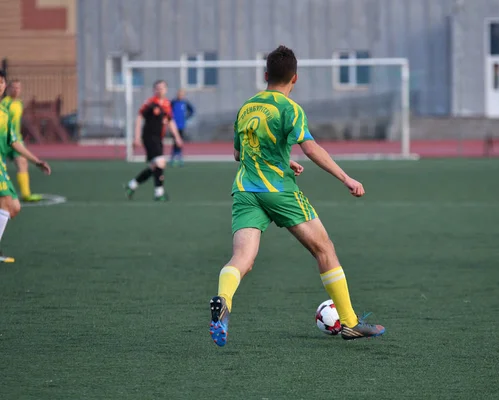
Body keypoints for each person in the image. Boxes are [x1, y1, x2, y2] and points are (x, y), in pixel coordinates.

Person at [208, 45, 385, 347]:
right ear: (295, 78)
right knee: (324, 249)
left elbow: (240, 153)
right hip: (279, 192)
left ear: (265, 75)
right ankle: (351, 323)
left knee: (243, 259)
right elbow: (311, 148)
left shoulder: (247, 107)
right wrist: (345, 177)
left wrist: (281, 158)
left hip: (245, 191)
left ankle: (224, 300)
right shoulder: (290, 108)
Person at [0, 71, 51, 262]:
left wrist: (36, 161)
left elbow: (14, 141)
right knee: (5, 202)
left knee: (13, 207)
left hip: (1, 163)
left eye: (1, 82)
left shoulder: (4, 112)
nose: (0, 85)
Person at [125, 80, 183, 201]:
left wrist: (177, 137)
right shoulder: (150, 103)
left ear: (166, 90)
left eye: (162, 88)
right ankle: (159, 193)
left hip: (159, 138)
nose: (160, 90)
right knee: (161, 162)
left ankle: (132, 185)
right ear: (154, 90)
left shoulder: (167, 104)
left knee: (154, 167)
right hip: (149, 137)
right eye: (157, 88)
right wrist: (136, 137)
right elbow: (140, 117)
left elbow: (170, 121)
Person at [0, 80, 42, 202]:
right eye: (14, 87)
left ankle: (26, 194)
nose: (16, 90)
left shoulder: (19, 103)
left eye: (18, 88)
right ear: (9, 89)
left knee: (22, 162)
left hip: (15, 138)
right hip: (4, 140)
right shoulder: (4, 104)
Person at [169, 89, 194, 166]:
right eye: (179, 94)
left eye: (182, 94)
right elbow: (168, 111)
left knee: (180, 141)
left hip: (181, 125)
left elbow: (192, 110)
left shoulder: (185, 102)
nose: (180, 95)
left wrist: (186, 117)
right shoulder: (173, 102)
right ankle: (173, 157)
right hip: (173, 125)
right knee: (175, 141)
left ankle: (179, 157)